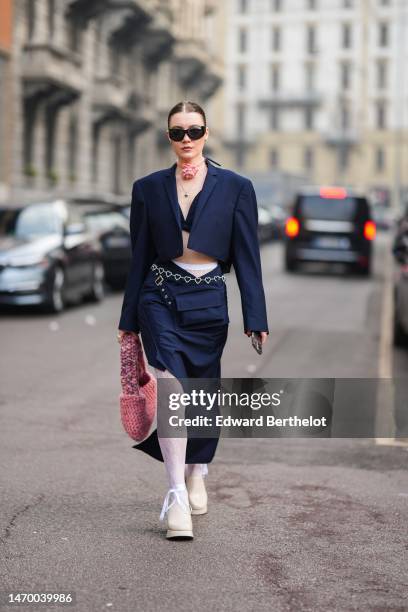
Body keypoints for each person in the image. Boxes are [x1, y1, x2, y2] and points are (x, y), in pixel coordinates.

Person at [117, 100, 269, 540]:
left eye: (194, 131)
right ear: (168, 137)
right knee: (173, 387)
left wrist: (254, 315)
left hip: (208, 300)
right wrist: (129, 318)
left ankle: (197, 470)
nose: (186, 140)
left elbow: (248, 257)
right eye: (177, 133)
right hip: (159, 295)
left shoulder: (236, 187)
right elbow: (139, 255)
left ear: (206, 133)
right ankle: (175, 496)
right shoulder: (147, 188)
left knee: (201, 391)